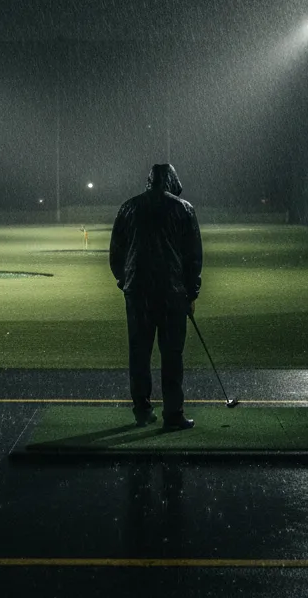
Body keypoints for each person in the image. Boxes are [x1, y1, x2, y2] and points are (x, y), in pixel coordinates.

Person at [109, 163, 203, 430]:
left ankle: (142, 411)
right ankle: (173, 414)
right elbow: (193, 256)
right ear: (172, 181)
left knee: (139, 353)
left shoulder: (129, 207)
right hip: (172, 294)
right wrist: (191, 293)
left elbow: (116, 253)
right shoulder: (184, 209)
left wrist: (125, 282)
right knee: (172, 354)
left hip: (138, 293)